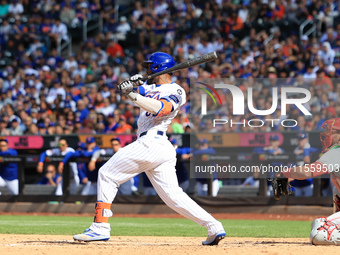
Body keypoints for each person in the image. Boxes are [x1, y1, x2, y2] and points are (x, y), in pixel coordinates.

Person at [73, 52, 226, 245]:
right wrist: (131, 83)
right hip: (156, 147)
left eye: (149, 67)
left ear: (156, 68)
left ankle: (100, 227)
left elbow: (161, 108)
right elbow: (139, 90)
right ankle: (214, 227)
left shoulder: (177, 90)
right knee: (173, 197)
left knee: (106, 174)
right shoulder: (152, 88)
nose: (146, 70)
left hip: (153, 142)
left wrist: (132, 93)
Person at [276, 118, 340, 245]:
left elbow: (307, 172)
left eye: (330, 132)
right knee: (336, 190)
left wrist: (284, 173)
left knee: (320, 230)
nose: (327, 135)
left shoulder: (336, 152)